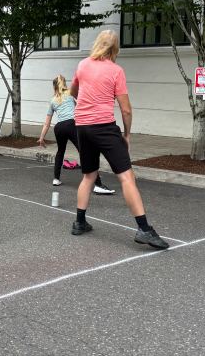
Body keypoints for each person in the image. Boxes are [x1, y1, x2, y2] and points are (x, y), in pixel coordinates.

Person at [69, 30, 168, 249]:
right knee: (126, 178)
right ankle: (144, 229)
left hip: (82, 127)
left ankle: (80, 222)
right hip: (104, 128)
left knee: (89, 175)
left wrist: (87, 102)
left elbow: (73, 91)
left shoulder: (83, 65)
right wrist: (127, 134)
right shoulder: (116, 71)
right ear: (115, 48)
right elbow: (126, 110)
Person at [37, 74, 115, 195]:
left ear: (54, 87)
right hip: (72, 125)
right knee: (85, 152)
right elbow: (83, 104)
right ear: (64, 83)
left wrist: (41, 138)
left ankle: (56, 179)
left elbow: (47, 123)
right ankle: (98, 185)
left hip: (59, 127)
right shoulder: (70, 93)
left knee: (60, 152)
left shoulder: (52, 100)